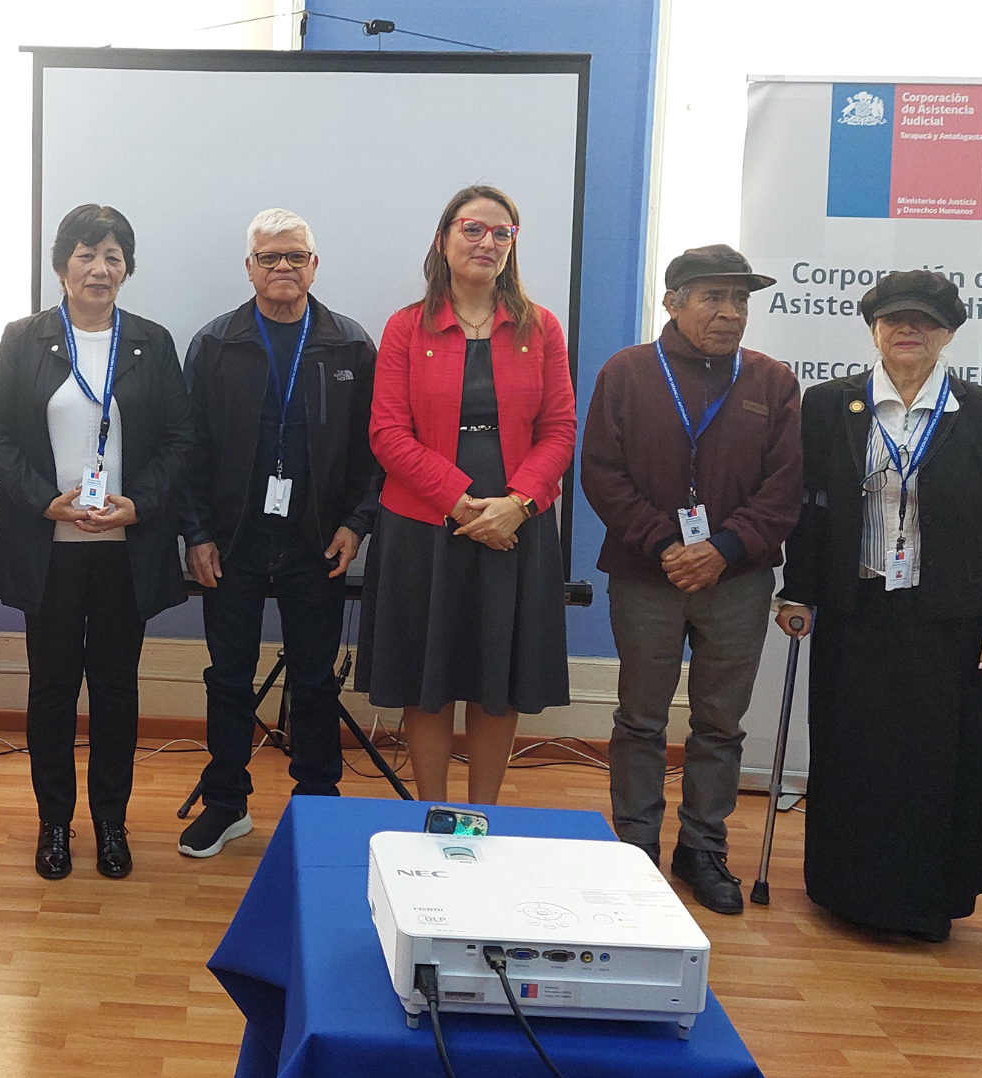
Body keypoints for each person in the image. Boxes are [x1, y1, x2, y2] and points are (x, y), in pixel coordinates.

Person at [776, 270, 982, 942]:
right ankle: (845, 891)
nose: (907, 331)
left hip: (949, 618)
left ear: (948, 333)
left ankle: (924, 902)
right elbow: (809, 508)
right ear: (874, 329)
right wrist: (798, 590)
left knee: (933, 761)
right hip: (858, 609)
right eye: (894, 320)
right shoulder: (830, 405)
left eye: (923, 321)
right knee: (857, 753)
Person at [0, 204, 196, 879]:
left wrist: (139, 505)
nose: (100, 268)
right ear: (61, 264)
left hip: (125, 550)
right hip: (49, 549)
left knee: (115, 689)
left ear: (127, 268)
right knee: (50, 690)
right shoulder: (23, 338)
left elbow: (181, 442)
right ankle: (54, 825)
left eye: (113, 256)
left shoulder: (152, 342)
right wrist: (46, 501)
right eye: (86, 254)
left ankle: (111, 824)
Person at [582, 245, 802, 915]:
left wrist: (724, 549)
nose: (730, 312)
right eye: (713, 297)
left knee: (720, 724)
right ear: (673, 302)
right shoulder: (626, 373)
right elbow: (601, 473)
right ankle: (636, 847)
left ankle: (703, 848)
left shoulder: (772, 382)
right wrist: (668, 545)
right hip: (647, 575)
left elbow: (786, 485)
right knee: (641, 718)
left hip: (736, 580)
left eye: (740, 300)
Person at [358, 185, 575, 805]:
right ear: (444, 238)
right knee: (429, 679)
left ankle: (482, 814)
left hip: (516, 526)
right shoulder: (405, 327)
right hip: (424, 526)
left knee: (495, 677)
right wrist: (460, 503)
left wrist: (518, 504)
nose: (487, 242)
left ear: (513, 246)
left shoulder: (540, 328)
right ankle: (432, 809)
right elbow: (387, 432)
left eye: (501, 233)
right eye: (473, 229)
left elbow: (560, 429)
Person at [175, 209, 378, 859]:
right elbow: (189, 449)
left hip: (315, 540)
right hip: (231, 541)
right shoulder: (216, 344)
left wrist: (356, 524)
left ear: (315, 265)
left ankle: (316, 797)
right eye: (270, 258)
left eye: (296, 256)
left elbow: (373, 452)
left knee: (315, 678)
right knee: (228, 675)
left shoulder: (349, 345)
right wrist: (196, 533)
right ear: (249, 268)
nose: (283, 268)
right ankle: (227, 802)